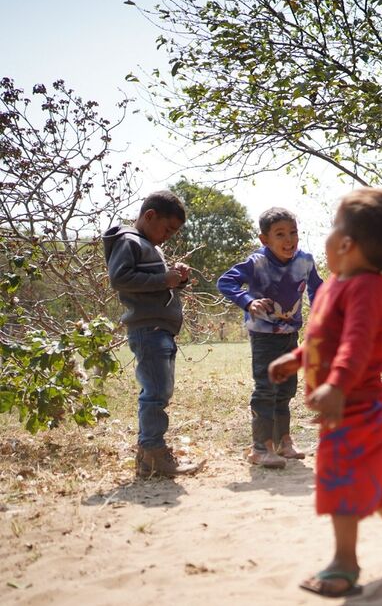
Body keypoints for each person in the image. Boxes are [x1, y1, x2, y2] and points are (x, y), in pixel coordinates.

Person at [268, 188, 382, 597]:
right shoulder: (338, 286)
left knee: (341, 475)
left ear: (345, 244)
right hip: (354, 405)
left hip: (357, 406)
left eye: (333, 227)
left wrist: (336, 385)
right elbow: (328, 339)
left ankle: (345, 563)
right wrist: (298, 359)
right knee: (373, 476)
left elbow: (356, 345)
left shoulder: (367, 289)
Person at [103, 190, 202, 477]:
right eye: (168, 228)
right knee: (155, 393)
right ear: (149, 216)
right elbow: (119, 278)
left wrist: (176, 278)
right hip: (148, 329)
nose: (169, 235)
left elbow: (159, 284)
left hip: (160, 329)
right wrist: (164, 279)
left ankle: (149, 456)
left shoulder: (150, 245)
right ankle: (154, 452)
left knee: (160, 391)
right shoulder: (128, 240)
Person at [217, 207, 323, 469]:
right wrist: (247, 301)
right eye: (280, 234)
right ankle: (260, 447)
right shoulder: (257, 262)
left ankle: (283, 441)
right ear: (265, 239)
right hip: (263, 336)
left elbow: (317, 289)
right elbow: (226, 282)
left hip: (290, 335)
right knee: (266, 388)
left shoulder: (305, 260)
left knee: (286, 388)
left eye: (293, 233)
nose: (289, 240)